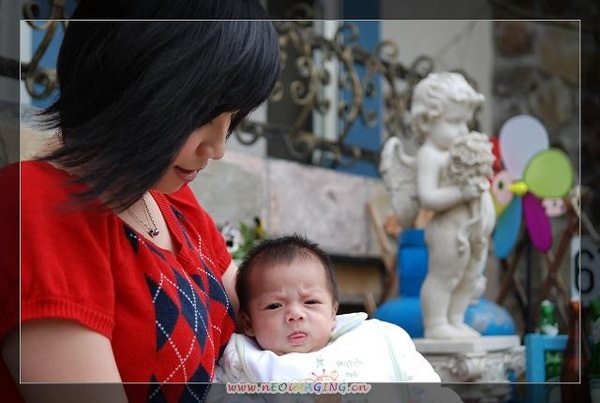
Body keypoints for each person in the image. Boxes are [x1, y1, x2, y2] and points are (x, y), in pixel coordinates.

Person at [0, 1, 281, 402]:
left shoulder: (174, 204)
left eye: (232, 121)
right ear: (133, 81)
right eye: (204, 116)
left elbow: (271, 305)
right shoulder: (35, 205)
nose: (217, 148)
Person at [215, 234, 443, 386]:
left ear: (333, 312)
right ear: (248, 323)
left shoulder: (377, 339)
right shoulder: (245, 361)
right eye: (275, 305)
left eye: (311, 302)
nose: (296, 314)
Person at [410, 72, 496, 339]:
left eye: (465, 122)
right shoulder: (430, 155)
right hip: (448, 230)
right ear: (427, 121)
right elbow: (427, 198)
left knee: (469, 276)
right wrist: (461, 192)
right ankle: (436, 323)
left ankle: (455, 320)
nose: (462, 130)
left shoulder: (461, 151)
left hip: (474, 230)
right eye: (454, 121)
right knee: (444, 276)